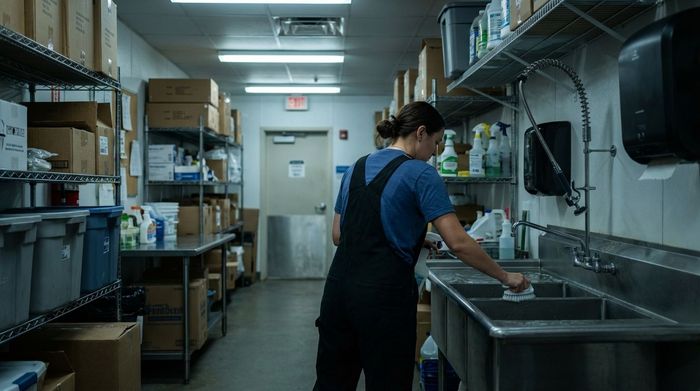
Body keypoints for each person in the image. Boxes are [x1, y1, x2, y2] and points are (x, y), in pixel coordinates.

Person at [313, 101, 530, 391]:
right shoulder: (421, 174)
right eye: (436, 142)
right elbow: (458, 242)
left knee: (332, 383)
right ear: (421, 133)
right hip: (383, 299)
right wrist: (506, 276)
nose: (435, 152)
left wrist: (413, 235)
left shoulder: (356, 166)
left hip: (338, 293)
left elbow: (340, 235)